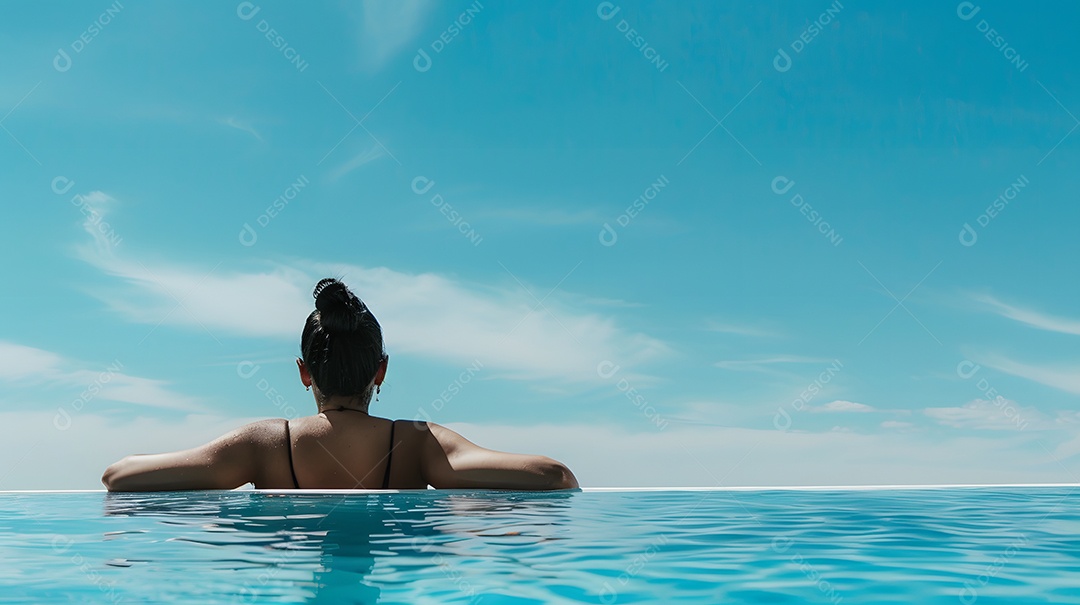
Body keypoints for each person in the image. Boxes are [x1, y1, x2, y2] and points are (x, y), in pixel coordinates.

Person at [101, 278, 579, 491]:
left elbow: (119, 476)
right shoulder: (416, 445)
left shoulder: (265, 445)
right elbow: (555, 478)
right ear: (381, 371)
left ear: (304, 371)